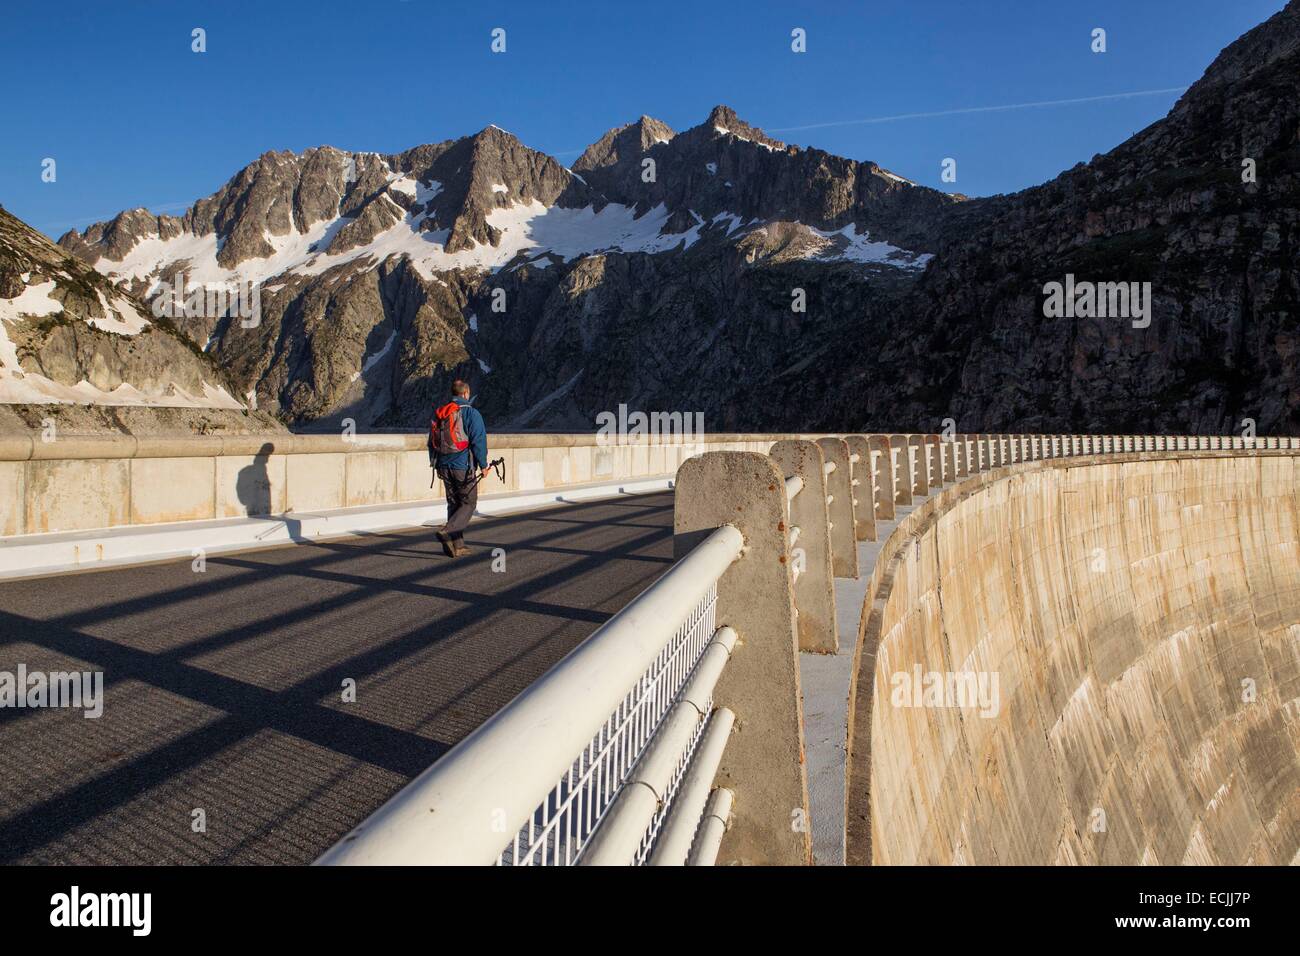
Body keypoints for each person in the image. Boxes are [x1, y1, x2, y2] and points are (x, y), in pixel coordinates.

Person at [429, 380, 490, 557]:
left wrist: (435, 464)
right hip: (463, 466)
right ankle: (447, 530)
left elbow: (431, 442)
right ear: (466, 394)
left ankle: (458, 545)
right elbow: (479, 441)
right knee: (469, 502)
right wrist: (484, 465)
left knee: (453, 503)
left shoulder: (439, 413)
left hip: (443, 465)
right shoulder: (471, 413)